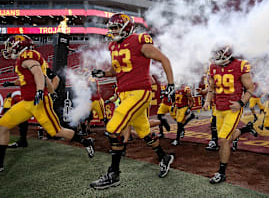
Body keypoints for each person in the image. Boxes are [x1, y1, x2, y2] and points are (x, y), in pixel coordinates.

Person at [90, 12, 175, 189]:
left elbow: (164, 59)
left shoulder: (139, 41)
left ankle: (114, 174)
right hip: (124, 93)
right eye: (111, 28)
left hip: (139, 91)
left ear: (127, 27)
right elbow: (117, 70)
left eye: (115, 27)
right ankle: (164, 157)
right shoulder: (113, 46)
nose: (112, 31)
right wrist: (104, 73)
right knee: (144, 131)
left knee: (112, 127)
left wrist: (171, 84)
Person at [0, 35, 94, 173]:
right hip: (27, 102)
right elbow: (34, 78)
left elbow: (38, 73)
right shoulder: (23, 59)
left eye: (10, 45)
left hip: (39, 103)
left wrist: (40, 91)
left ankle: (85, 142)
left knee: (56, 131)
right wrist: (12, 83)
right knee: (2, 126)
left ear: (19, 46)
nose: (8, 49)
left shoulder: (28, 56)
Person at [203, 45, 254, 184]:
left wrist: (241, 103)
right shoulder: (213, 67)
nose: (215, 56)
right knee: (228, 136)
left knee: (223, 139)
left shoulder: (241, 65)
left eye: (218, 53)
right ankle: (246, 129)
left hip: (233, 109)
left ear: (227, 53)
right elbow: (211, 89)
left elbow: (250, 88)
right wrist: (207, 101)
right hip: (219, 108)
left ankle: (221, 172)